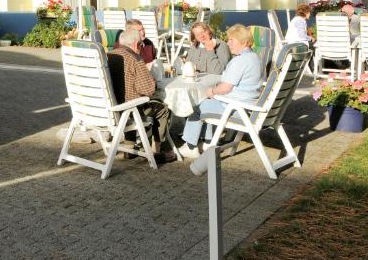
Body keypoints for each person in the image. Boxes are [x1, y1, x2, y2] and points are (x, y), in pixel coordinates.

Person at [178, 24, 263, 158]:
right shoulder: (254, 57)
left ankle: (190, 147)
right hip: (248, 106)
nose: (228, 43)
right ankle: (207, 143)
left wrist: (211, 91)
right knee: (207, 102)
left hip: (236, 110)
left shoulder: (240, 61)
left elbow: (225, 87)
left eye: (232, 40)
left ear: (244, 42)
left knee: (195, 106)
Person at [108, 28, 176, 164]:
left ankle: (129, 146)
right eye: (141, 44)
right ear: (136, 44)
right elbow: (148, 89)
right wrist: (153, 81)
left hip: (113, 109)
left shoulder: (110, 55)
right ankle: (157, 151)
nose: (141, 47)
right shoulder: (135, 59)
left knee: (128, 100)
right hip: (130, 111)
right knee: (162, 109)